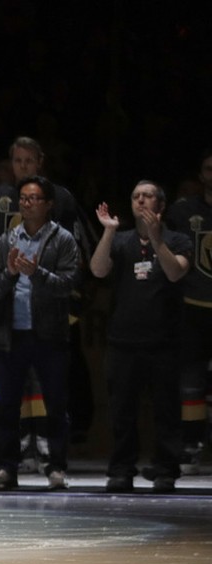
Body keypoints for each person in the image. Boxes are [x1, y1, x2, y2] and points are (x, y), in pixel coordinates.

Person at [0, 176, 82, 491]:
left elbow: (69, 285)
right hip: (11, 335)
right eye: (23, 198)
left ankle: (57, 468)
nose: (26, 203)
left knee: (55, 405)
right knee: (8, 405)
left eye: (34, 198)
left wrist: (36, 273)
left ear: (49, 204)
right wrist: (11, 273)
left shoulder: (63, 240)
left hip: (50, 336)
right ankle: (6, 468)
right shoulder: (6, 240)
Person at [90, 182, 193, 493]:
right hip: (123, 343)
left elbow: (175, 272)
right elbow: (97, 270)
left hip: (164, 342)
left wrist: (158, 240)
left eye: (147, 195)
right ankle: (121, 470)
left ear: (160, 203)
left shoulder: (178, 239)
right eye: (135, 196)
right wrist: (108, 230)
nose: (140, 199)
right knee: (122, 412)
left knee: (166, 412)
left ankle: (166, 471)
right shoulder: (121, 241)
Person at [166, 151, 212, 468]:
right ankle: (192, 444)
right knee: (191, 381)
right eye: (210, 169)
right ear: (201, 175)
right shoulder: (183, 212)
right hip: (192, 307)